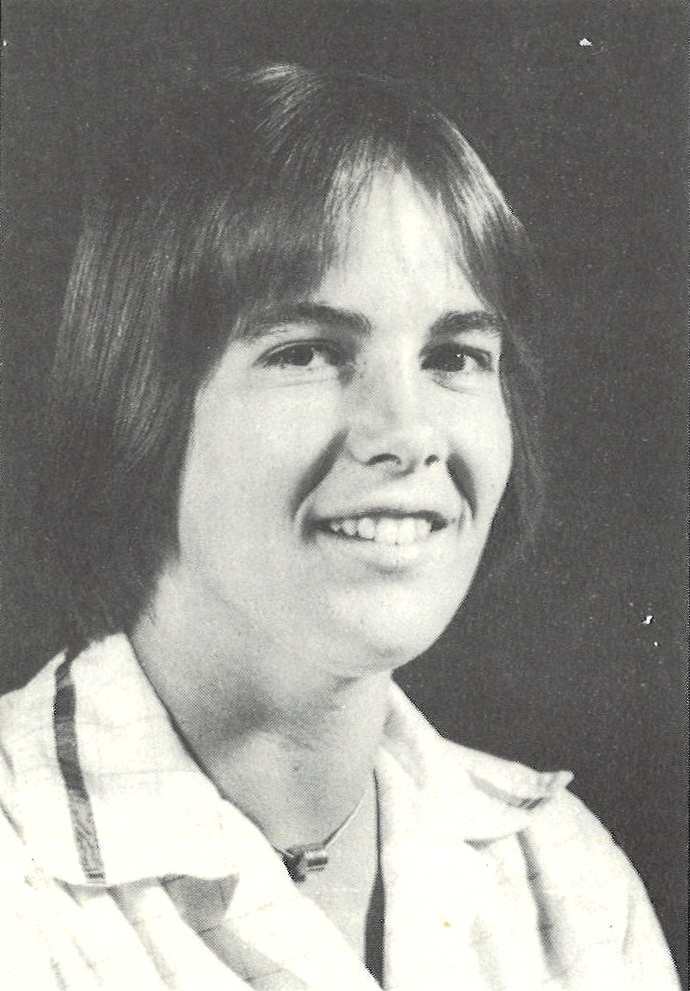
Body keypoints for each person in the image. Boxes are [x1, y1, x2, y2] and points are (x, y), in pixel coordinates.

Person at [0, 64, 678, 990]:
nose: (406, 434)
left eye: (454, 356)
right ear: (136, 401)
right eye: (308, 350)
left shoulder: (559, 879)